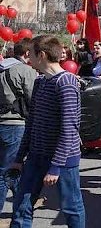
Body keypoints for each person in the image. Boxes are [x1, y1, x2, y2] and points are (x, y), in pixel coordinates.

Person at [10, 35, 85, 227]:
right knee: (21, 206)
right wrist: (19, 158)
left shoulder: (66, 83)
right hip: (36, 156)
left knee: (71, 208)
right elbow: (32, 122)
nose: (28, 58)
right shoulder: (40, 82)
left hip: (63, 160)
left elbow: (69, 129)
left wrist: (56, 167)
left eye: (31, 54)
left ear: (41, 55)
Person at [0, 40, 38, 214]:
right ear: (27, 53)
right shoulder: (25, 71)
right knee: (8, 170)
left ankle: (23, 201)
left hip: (2, 121)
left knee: (11, 167)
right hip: (15, 123)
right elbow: (33, 98)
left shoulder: (2, 67)